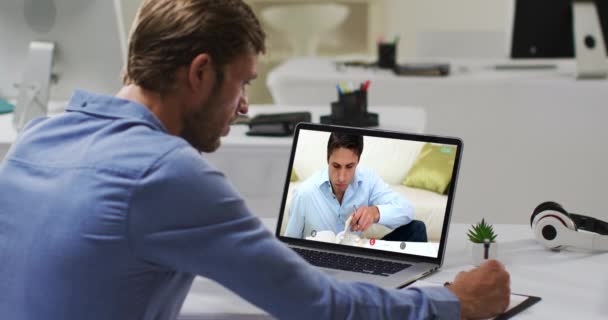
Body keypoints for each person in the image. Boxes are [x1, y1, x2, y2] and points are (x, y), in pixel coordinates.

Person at [0, 0, 510, 319]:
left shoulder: (36, 138)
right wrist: (453, 303)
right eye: (242, 83)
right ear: (200, 73)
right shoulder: (167, 173)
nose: (244, 106)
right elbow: (318, 306)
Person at [285, 132, 427, 242]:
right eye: (336, 166)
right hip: (320, 266)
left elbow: (407, 210)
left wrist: (375, 212)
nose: (341, 177)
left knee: (417, 229)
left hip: (356, 257)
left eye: (349, 167)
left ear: (358, 160)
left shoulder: (368, 180)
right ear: (328, 158)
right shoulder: (304, 193)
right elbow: (289, 248)